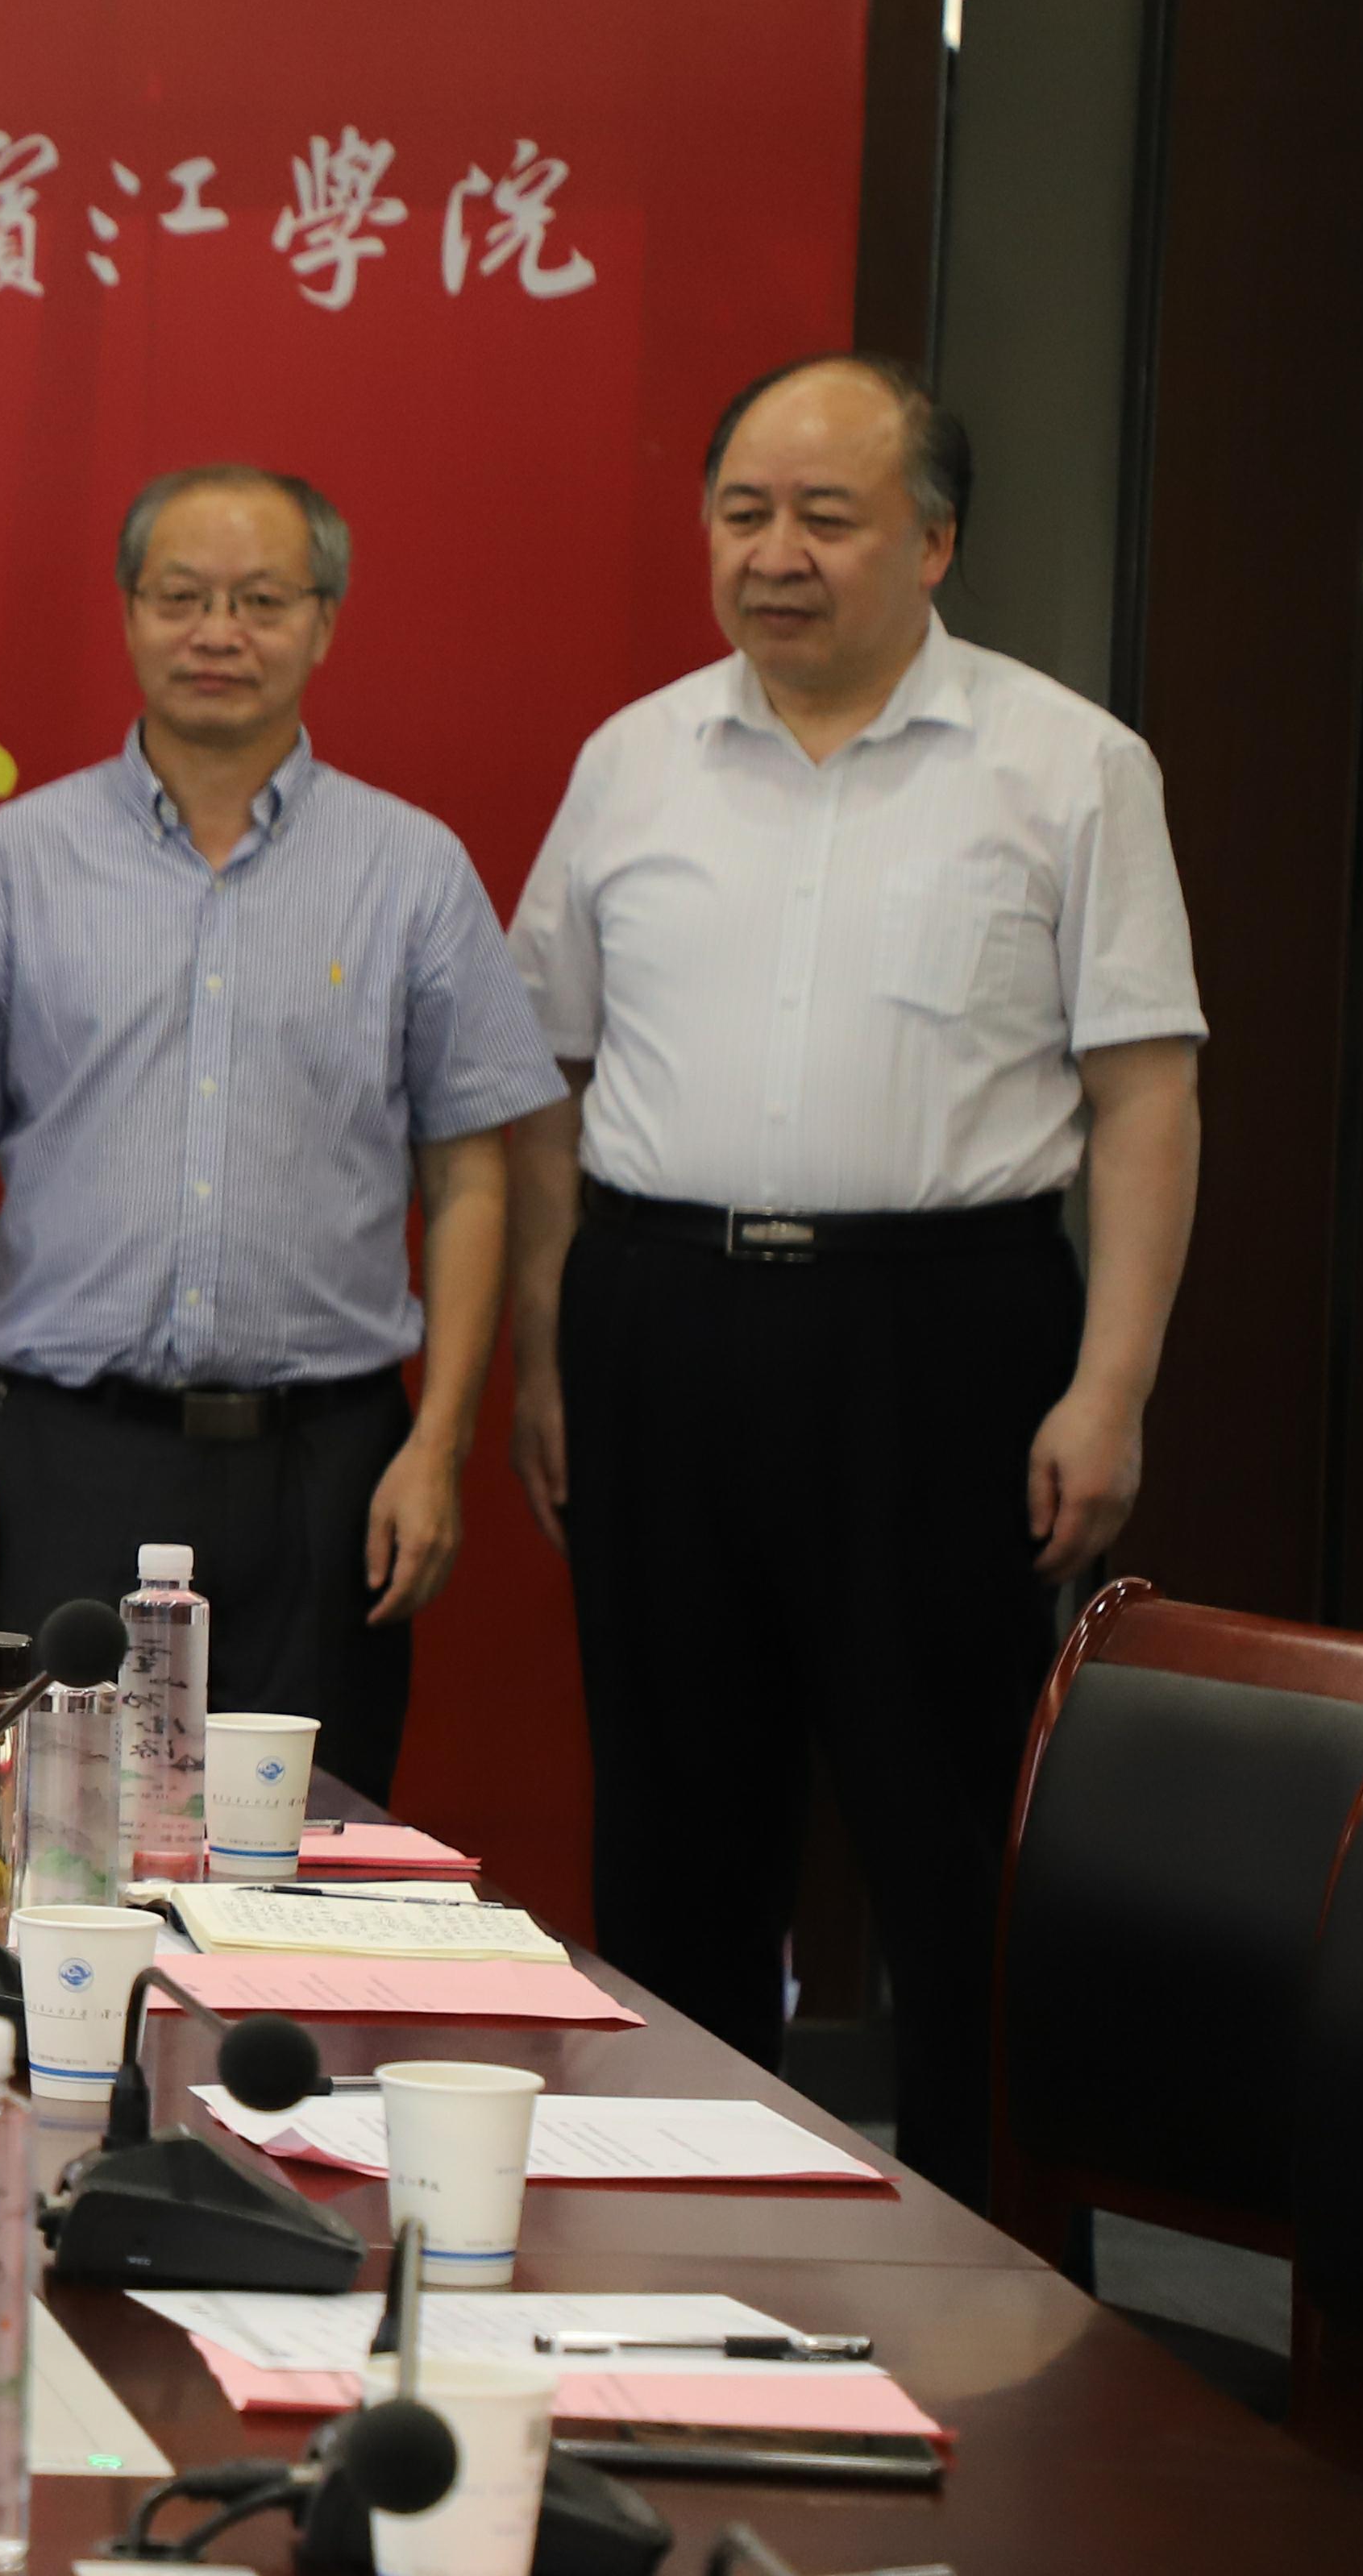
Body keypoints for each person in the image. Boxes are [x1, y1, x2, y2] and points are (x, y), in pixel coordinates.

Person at [505, 355, 1200, 2201]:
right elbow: (540, 1079)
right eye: (743, 512)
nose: (776, 554)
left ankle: (1009, 2282)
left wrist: (1110, 1382)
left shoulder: (1068, 765)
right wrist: (546, 1347)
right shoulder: (633, 758)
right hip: (657, 1319)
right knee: (674, 1828)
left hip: (944, 1339)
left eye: (827, 516)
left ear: (934, 541)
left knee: (954, 1836)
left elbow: (1145, 1093)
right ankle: (675, 2232)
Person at [0, 467, 559, 1802]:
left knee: (306, 1853)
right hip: (69, 1455)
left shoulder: (411, 868)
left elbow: (469, 1174)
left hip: (328, 1468)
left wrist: (436, 1446)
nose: (218, 633)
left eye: (261, 600)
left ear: (325, 622)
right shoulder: (15, 862)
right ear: (130, 613)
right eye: (182, 597)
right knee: (48, 1842)